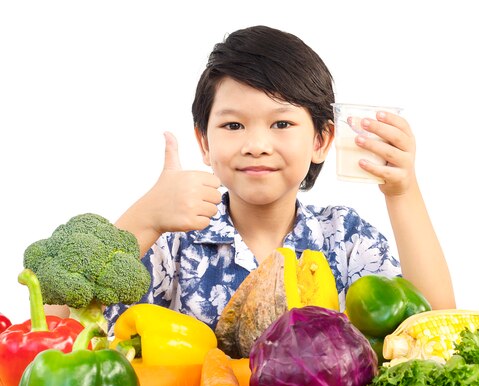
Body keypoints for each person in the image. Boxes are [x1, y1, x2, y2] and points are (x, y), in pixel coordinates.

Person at [48, 25, 456, 332]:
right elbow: (55, 330)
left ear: (321, 139)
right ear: (203, 143)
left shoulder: (345, 237)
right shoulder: (172, 241)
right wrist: (145, 218)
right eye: (233, 126)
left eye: (281, 123)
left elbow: (435, 328)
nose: (257, 144)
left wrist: (403, 192)